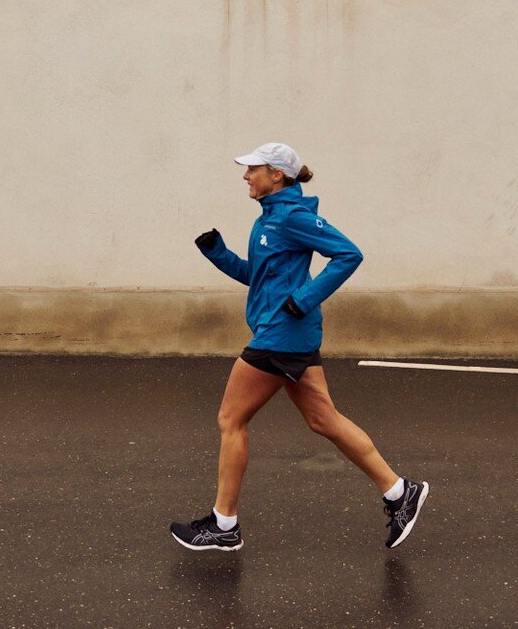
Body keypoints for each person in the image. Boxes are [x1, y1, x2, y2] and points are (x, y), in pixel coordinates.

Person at [169, 142, 428, 552]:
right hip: (286, 332)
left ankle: (224, 525)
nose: (245, 175)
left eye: (253, 169)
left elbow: (348, 254)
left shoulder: (292, 215)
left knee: (230, 419)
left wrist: (303, 299)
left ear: (277, 174)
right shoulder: (269, 219)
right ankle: (400, 492)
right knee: (324, 419)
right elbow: (258, 277)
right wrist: (217, 253)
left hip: (281, 334)